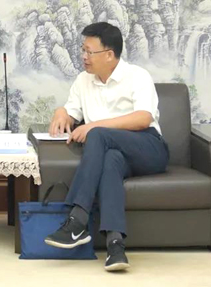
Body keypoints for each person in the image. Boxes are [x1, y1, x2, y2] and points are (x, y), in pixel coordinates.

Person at [45, 22, 169, 272]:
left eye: (89, 51)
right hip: (115, 153)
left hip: (148, 147)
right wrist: (61, 112)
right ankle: (115, 246)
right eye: (83, 50)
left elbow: (143, 118)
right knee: (110, 160)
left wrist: (94, 126)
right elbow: (71, 112)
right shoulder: (83, 80)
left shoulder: (137, 76)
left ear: (109, 54)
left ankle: (77, 220)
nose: (84, 56)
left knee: (99, 134)